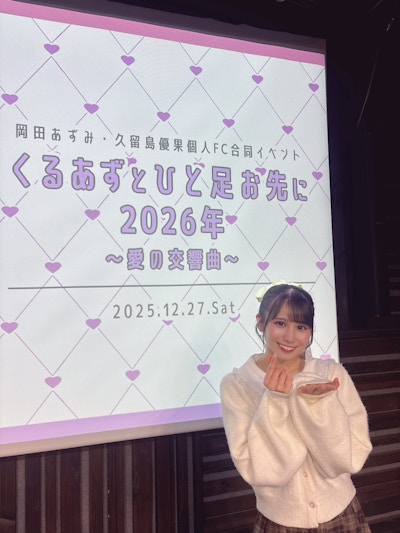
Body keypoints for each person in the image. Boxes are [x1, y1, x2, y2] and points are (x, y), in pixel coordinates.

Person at [220, 281, 373, 532]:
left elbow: (347, 460)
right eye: (280, 323)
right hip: (280, 522)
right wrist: (275, 402)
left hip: (342, 511)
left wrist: (319, 406)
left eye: (301, 327)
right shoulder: (237, 385)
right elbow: (262, 471)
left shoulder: (330, 374)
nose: (290, 337)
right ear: (261, 322)